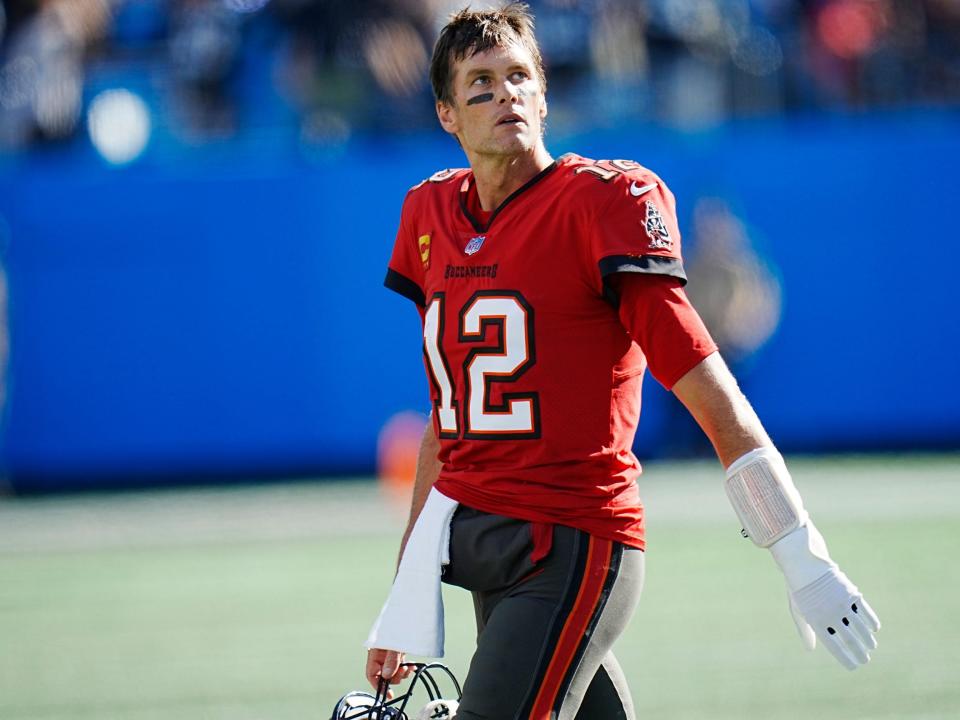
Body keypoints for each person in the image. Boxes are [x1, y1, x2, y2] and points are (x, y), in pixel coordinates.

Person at [364, 5, 880, 719]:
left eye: (518, 77)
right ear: (447, 114)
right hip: (482, 541)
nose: (504, 95)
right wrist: (405, 590)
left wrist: (796, 545)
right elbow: (445, 424)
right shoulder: (429, 214)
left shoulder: (600, 203)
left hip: (570, 541)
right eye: (480, 84)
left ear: (543, 94)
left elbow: (706, 385)